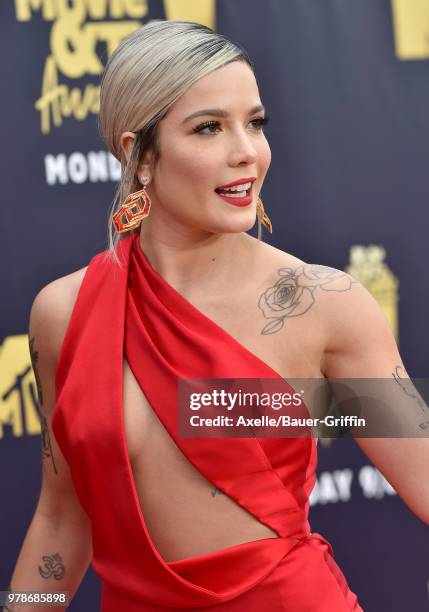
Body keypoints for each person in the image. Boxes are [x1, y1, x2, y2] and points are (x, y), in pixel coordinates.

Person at [9, 20, 429, 612]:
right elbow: (61, 517)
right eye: (209, 128)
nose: (247, 152)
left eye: (255, 123)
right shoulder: (63, 313)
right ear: (139, 154)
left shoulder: (327, 304)